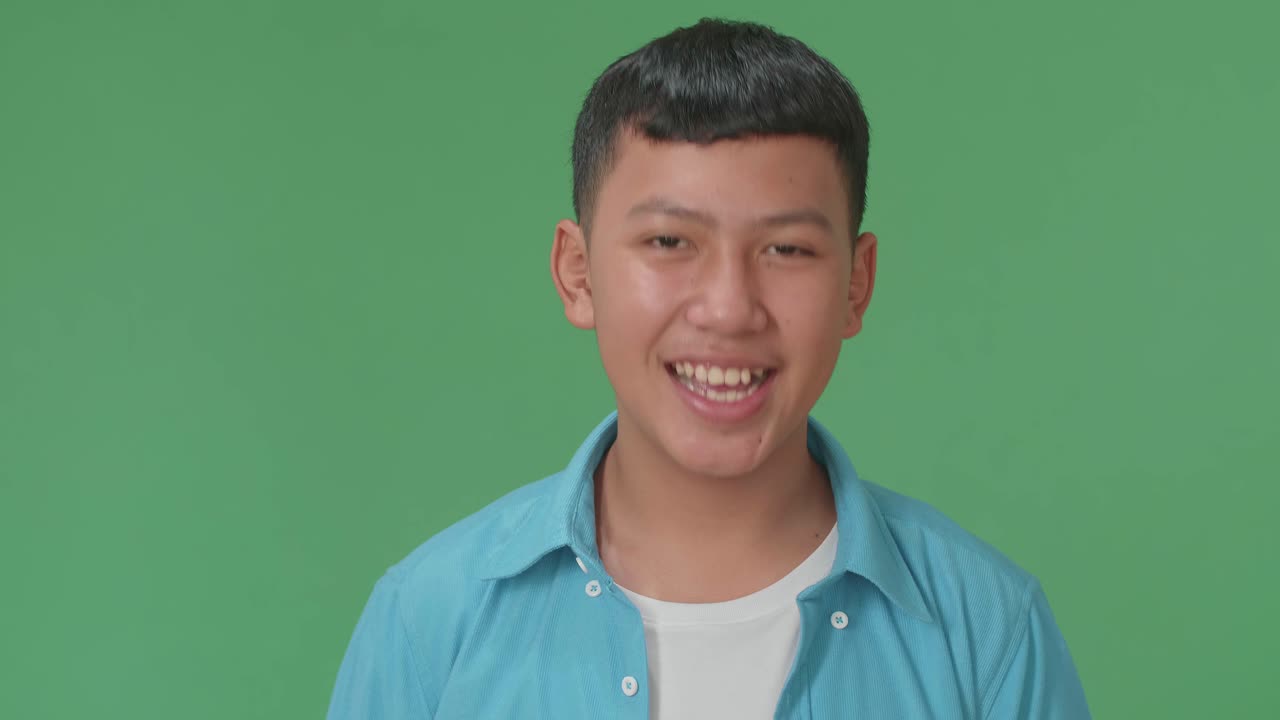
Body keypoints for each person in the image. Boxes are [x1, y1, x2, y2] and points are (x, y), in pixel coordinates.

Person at [326, 17, 1091, 719]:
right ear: (578, 273)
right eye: (669, 242)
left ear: (856, 285)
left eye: (787, 249)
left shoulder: (986, 632)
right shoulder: (429, 623)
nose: (728, 308)